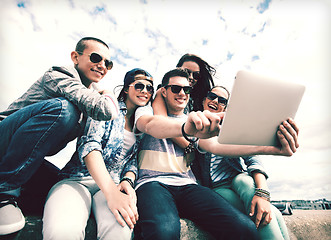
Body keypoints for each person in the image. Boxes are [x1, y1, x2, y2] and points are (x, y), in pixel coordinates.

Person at [0, 37, 119, 236]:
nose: (102, 66)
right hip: (4, 139)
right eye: (96, 58)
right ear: (75, 57)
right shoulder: (59, 75)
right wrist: (108, 93)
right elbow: (105, 109)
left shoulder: (87, 92)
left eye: (108, 63)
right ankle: (5, 193)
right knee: (65, 110)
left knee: (56, 187)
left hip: (26, 156)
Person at [133, 68, 260, 240]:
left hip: (188, 185)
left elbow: (215, 146)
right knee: (164, 232)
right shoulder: (146, 111)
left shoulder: (193, 118)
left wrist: (270, 148)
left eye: (186, 90)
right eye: (176, 89)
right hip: (152, 182)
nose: (182, 94)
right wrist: (185, 128)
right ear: (163, 91)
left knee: (245, 228)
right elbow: (150, 125)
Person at [42, 68, 154, 240]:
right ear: (126, 88)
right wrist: (112, 193)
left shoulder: (142, 124)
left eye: (149, 88)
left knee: (120, 232)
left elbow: (133, 160)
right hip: (77, 180)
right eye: (139, 85)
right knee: (63, 231)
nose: (145, 90)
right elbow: (89, 146)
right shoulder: (106, 107)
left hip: (115, 185)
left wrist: (127, 180)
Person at [192, 86, 290, 240]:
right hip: (217, 187)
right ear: (204, 100)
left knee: (246, 183)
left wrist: (263, 193)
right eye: (212, 96)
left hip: (237, 177)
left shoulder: (232, 128)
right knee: (270, 212)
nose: (216, 101)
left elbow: (252, 157)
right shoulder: (194, 126)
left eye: (222, 100)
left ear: (225, 107)